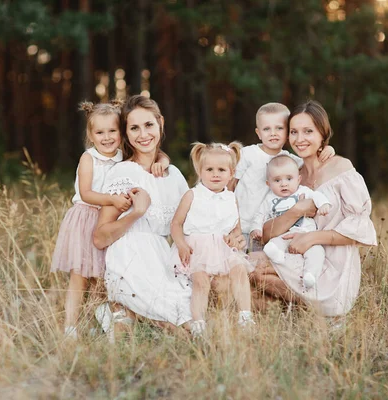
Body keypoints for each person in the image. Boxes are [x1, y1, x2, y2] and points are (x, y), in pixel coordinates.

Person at [92, 95, 246, 336]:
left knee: (196, 318)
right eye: (134, 128)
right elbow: (100, 238)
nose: (143, 134)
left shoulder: (173, 175)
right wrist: (136, 213)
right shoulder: (122, 173)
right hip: (130, 256)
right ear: (126, 133)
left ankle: (131, 315)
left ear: (160, 123)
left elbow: (197, 221)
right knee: (180, 329)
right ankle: (123, 311)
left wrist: (233, 236)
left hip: (165, 257)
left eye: (148, 125)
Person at [51, 99, 169, 339]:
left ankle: (95, 319)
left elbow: (157, 153)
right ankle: (70, 326)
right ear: (90, 135)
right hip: (86, 218)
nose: (106, 137)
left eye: (112, 131)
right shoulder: (89, 158)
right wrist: (112, 200)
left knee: (102, 277)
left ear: (121, 132)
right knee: (80, 275)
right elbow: (86, 193)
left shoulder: (122, 156)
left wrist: (163, 161)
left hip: (109, 222)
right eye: (100, 132)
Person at [251, 100, 377, 317]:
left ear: (322, 133)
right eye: (294, 132)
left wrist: (312, 238)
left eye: (308, 131)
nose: (300, 139)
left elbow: (360, 227)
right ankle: (300, 314)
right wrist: (296, 211)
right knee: (249, 269)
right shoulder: (290, 175)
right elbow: (266, 234)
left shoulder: (340, 167)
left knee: (257, 271)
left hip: (333, 265)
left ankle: (321, 309)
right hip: (295, 255)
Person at [170, 142, 255, 337]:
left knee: (240, 270)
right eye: (209, 169)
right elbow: (176, 224)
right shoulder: (192, 195)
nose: (215, 174)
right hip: (196, 249)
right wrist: (181, 244)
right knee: (201, 282)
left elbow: (237, 231)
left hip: (223, 249)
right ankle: (198, 323)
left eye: (221, 170)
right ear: (200, 171)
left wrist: (235, 240)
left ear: (231, 173)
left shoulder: (231, 198)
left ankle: (245, 316)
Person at [228, 102, 335, 252]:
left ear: (287, 132)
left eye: (279, 128)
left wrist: (327, 148)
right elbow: (231, 185)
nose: (273, 133)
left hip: (269, 228)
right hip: (241, 223)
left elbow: (313, 157)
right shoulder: (248, 154)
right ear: (258, 133)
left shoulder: (291, 160)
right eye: (267, 129)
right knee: (235, 259)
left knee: (257, 265)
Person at [254, 155, 331, 291]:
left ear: (298, 179)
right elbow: (259, 215)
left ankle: (310, 275)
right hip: (282, 236)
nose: (284, 184)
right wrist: (256, 228)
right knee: (273, 245)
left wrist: (323, 204)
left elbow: (316, 196)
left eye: (289, 179)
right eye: (277, 180)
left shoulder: (303, 191)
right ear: (268, 184)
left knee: (317, 252)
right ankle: (278, 256)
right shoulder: (269, 199)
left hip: (305, 234)